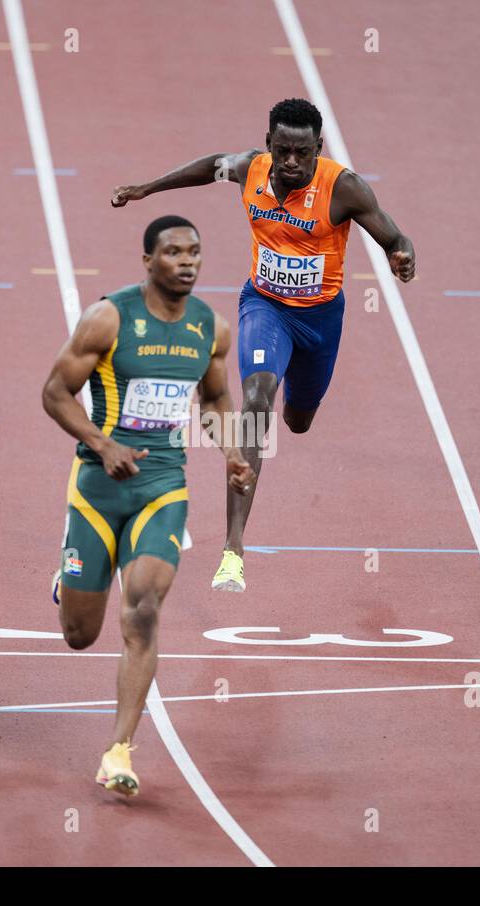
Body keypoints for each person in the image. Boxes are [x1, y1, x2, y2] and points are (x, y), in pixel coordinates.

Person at [111, 98, 415, 590]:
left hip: (320, 320)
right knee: (255, 400)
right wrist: (147, 189)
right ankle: (233, 549)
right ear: (268, 143)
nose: (291, 162)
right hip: (265, 307)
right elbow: (210, 167)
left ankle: (298, 404)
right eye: (281, 151)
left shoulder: (343, 188)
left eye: (302, 152)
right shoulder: (251, 168)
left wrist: (403, 258)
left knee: (297, 422)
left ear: (319, 148)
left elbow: (395, 237)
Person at [42, 215, 254, 796]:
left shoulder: (211, 327)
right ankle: (70, 575)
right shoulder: (109, 317)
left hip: (163, 484)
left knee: (142, 613)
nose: (187, 262)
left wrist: (231, 452)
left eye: (195, 252)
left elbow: (215, 397)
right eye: (173, 253)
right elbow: (54, 392)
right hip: (97, 487)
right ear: (148, 261)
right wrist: (102, 443)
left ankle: (118, 750)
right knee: (80, 636)